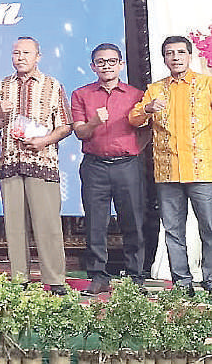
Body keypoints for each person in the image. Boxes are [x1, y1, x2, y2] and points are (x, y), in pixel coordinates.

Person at [0, 36, 72, 295]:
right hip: (10, 163)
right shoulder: (1, 87)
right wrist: (1, 113)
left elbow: (66, 125)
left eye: (26, 53)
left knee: (48, 225)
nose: (20, 57)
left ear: (38, 56)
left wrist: (45, 140)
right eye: (16, 53)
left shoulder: (53, 86)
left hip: (42, 162)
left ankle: (55, 280)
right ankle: (19, 279)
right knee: (14, 226)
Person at [129, 36, 212, 294]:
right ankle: (182, 283)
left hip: (202, 170)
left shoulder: (206, 85)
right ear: (164, 59)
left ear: (189, 56)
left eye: (180, 52)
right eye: (169, 53)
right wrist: (149, 109)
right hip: (168, 172)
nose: (175, 57)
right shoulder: (155, 90)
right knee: (173, 231)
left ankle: (210, 280)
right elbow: (134, 118)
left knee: (209, 227)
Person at [71, 44, 147, 295]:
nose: (106, 66)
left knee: (132, 221)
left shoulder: (136, 94)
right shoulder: (81, 94)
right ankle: (98, 276)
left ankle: (135, 276)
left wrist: (134, 149)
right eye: (101, 62)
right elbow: (80, 132)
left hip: (127, 165)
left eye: (112, 61)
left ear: (121, 65)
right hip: (95, 166)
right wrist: (95, 121)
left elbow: (146, 128)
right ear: (93, 67)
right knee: (95, 222)